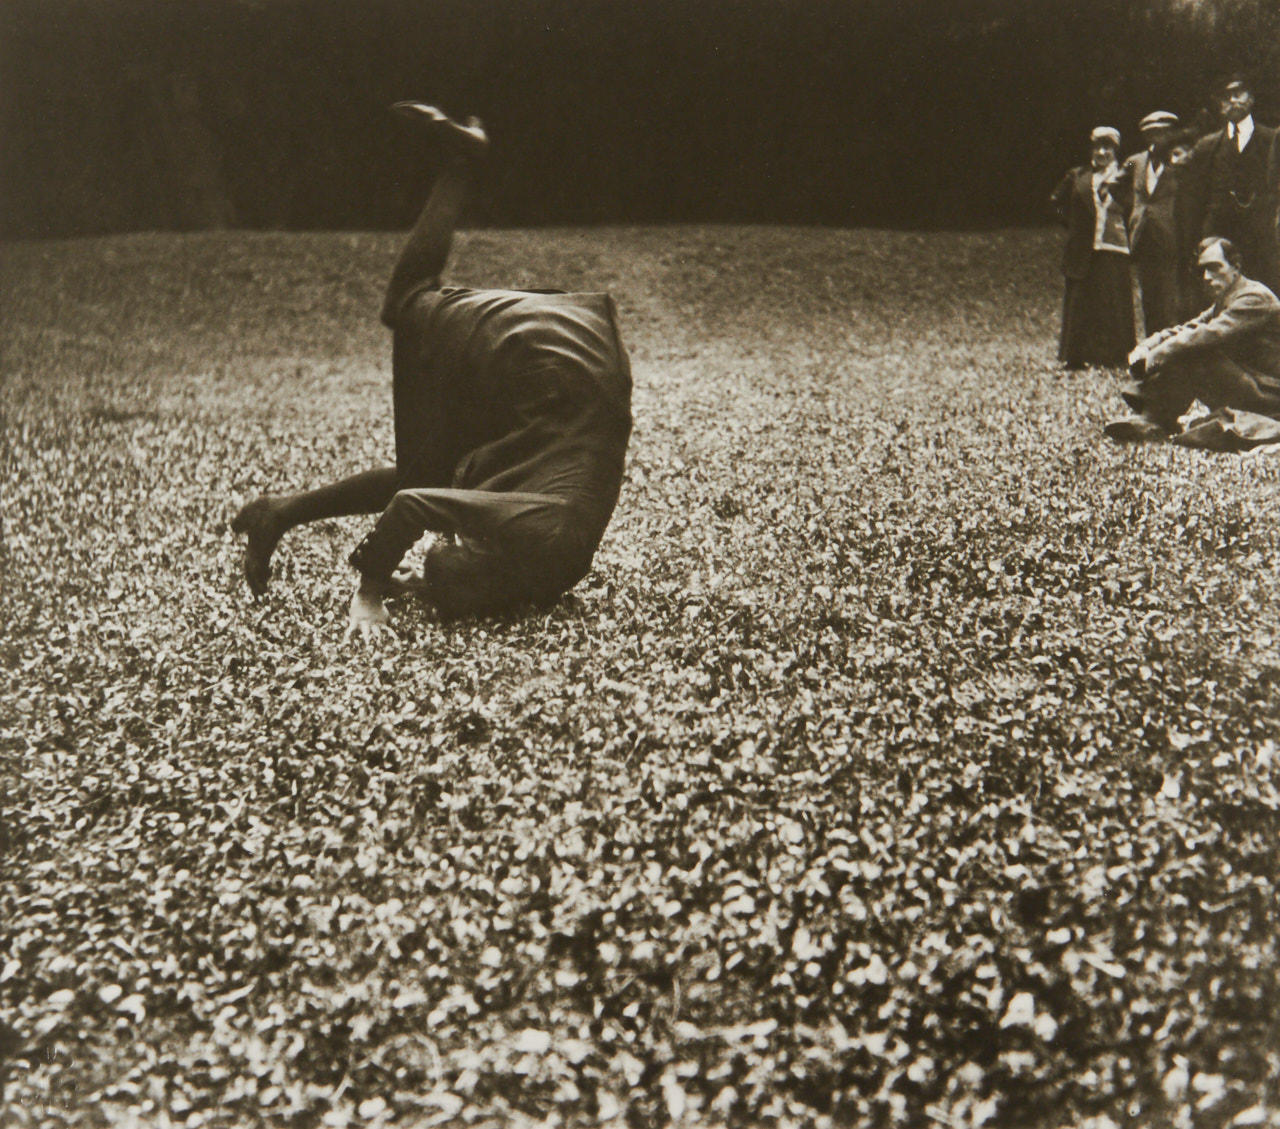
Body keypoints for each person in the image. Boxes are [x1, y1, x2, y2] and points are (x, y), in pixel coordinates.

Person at [232, 104, 633, 638]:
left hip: (586, 365)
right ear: (489, 564)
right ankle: (459, 164)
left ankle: (277, 513)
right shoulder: (534, 537)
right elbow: (414, 504)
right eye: (455, 548)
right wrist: (370, 591)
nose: (450, 541)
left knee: (435, 470)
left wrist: (426, 585)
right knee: (406, 300)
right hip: (546, 364)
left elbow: (442, 508)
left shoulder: (548, 570)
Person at [1104, 236, 1280, 442]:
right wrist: (1147, 346)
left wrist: (1157, 354)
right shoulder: (1228, 299)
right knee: (1189, 344)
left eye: (1215, 268)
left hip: (1270, 393)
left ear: (1236, 267)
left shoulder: (1255, 298)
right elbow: (1189, 328)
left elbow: (1210, 333)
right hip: (1253, 383)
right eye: (1202, 270)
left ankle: (1153, 418)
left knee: (1197, 351)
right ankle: (1151, 417)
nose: (1206, 277)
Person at [1050, 126, 1135, 369]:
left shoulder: (1125, 176)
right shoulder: (1078, 175)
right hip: (1083, 247)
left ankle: (1114, 356)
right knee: (1080, 301)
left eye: (1107, 147)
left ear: (1115, 150)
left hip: (1114, 246)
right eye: (1097, 147)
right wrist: (1074, 226)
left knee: (1113, 301)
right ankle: (1075, 356)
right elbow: (1056, 202)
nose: (1101, 152)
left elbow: (1134, 207)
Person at [1190, 73, 1279, 293]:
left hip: (1261, 234)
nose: (1232, 101)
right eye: (1225, 97)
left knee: (1265, 289)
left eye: (1237, 94)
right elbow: (1196, 197)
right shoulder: (1207, 146)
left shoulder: (1272, 140)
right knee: (1221, 290)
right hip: (1220, 232)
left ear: (1251, 98)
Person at [1104, 111, 1189, 335]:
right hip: (1142, 234)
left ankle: (1172, 344)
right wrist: (1134, 208)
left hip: (1170, 233)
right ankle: (1152, 343)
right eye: (1151, 134)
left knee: (1170, 294)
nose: (1157, 139)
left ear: (1171, 134)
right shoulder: (1135, 161)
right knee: (1148, 294)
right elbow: (1114, 185)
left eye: (1162, 133)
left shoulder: (1181, 161)